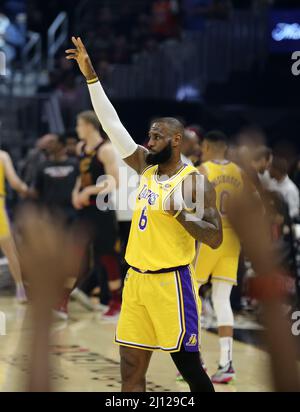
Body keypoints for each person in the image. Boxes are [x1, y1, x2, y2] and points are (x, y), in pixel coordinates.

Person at [66, 36, 222, 392]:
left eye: (157, 137)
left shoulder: (193, 182)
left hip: (172, 284)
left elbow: (215, 236)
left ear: (177, 140)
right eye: (149, 136)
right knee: (129, 372)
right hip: (136, 280)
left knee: (190, 369)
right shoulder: (145, 167)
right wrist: (91, 78)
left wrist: (181, 216)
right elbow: (112, 124)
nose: (149, 142)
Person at [195, 131, 245, 384]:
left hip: (209, 237)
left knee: (191, 295)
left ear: (206, 146)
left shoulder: (202, 170)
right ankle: (227, 363)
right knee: (222, 299)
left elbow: (192, 207)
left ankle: (196, 364)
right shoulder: (241, 172)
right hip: (232, 239)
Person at [72, 110, 122, 320]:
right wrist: (76, 192)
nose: (77, 129)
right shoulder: (80, 148)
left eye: (79, 125)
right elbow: (81, 176)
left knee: (107, 256)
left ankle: (116, 302)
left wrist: (89, 191)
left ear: (90, 126)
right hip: (85, 209)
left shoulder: (107, 149)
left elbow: (114, 182)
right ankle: (61, 302)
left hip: (101, 208)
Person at [32, 134, 80, 319]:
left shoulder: (75, 165)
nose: (48, 146)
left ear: (61, 145)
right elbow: (36, 192)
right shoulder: (42, 166)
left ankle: (63, 301)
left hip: (72, 218)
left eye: (52, 142)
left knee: (70, 262)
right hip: (49, 221)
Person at [0, 149, 28, 302]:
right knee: (9, 250)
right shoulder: (2, 156)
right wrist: (26, 190)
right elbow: (15, 182)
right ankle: (20, 288)